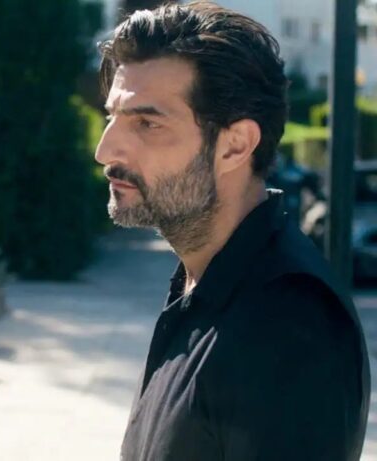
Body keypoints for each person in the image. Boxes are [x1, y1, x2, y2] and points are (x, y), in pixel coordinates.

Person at [95, 3, 370, 460]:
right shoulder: (208, 283)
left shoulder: (288, 327)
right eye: (113, 117)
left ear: (235, 146)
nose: (106, 151)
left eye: (147, 123)